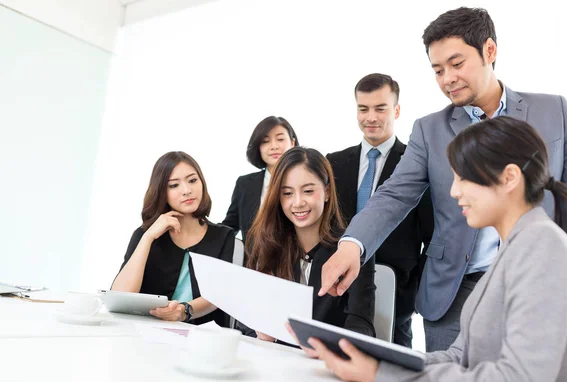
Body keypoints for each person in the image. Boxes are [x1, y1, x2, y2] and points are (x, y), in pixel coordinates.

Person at [320, 6, 567, 351]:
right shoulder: (429, 129)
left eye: (456, 64)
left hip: (541, 286)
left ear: (489, 51)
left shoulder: (554, 112)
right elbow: (394, 195)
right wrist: (352, 245)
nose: (446, 79)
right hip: (455, 292)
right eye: (437, 70)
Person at [306, 116, 567, 382]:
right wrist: (377, 362)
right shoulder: (513, 250)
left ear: (509, 177)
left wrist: (381, 376)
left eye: (464, 178)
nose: (453, 191)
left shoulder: (543, 250)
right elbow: (461, 357)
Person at [326, 73, 433, 347]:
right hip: (339, 289)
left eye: (380, 108)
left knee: (394, 376)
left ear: (396, 110)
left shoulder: (416, 164)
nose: (370, 117)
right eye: (363, 109)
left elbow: (431, 236)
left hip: (396, 294)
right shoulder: (334, 163)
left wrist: (415, 293)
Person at [241, 147, 375, 344]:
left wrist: (326, 346)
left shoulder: (352, 249)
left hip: (328, 365)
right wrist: (260, 334)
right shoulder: (267, 243)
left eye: (308, 191)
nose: (297, 202)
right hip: (275, 362)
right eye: (287, 193)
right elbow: (246, 316)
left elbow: (362, 325)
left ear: (327, 192)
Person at [112, 151, 235, 326]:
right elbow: (120, 297)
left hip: (202, 340)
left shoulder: (224, 236)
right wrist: (148, 238)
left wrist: (184, 311)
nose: (187, 190)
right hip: (146, 336)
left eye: (193, 180)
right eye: (174, 185)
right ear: (161, 191)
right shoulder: (144, 235)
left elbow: (219, 295)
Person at [222, 116, 299, 244]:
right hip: (253, 262)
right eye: (265, 141)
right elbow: (229, 226)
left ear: (292, 143)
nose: (274, 146)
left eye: (280, 139)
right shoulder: (244, 184)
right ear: (258, 147)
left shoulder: (306, 180)